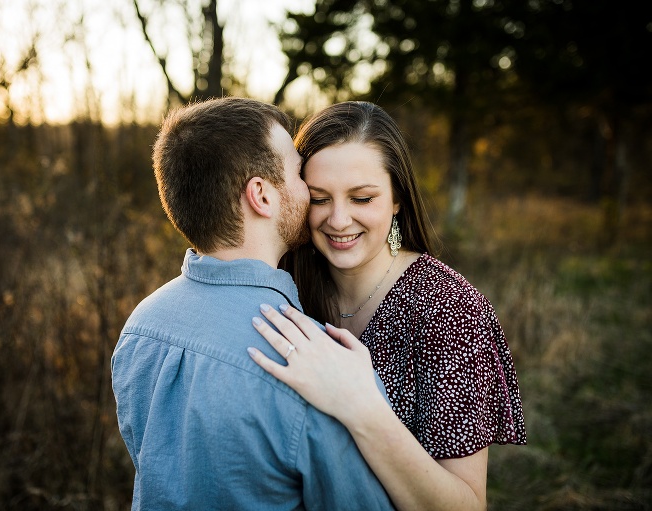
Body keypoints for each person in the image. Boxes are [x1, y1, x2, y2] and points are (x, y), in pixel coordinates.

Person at [111, 97, 395, 510]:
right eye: (299, 173)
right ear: (261, 195)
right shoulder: (312, 364)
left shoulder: (141, 326)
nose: (307, 188)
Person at [248, 101, 527, 511]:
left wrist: (362, 407)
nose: (338, 220)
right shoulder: (288, 287)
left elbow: (466, 505)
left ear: (397, 198)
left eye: (362, 198)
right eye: (320, 198)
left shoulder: (449, 310)